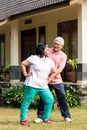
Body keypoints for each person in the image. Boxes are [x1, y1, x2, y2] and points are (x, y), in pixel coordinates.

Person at [35, 37, 72, 123]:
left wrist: (51, 77)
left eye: (57, 44)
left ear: (61, 46)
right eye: (54, 43)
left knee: (62, 97)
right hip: (45, 79)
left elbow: (60, 69)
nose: (55, 45)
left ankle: (66, 116)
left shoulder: (63, 55)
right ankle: (40, 117)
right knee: (43, 98)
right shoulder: (47, 51)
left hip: (57, 80)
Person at [20, 42, 57, 126]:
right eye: (46, 48)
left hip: (43, 85)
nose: (48, 49)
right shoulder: (33, 58)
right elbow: (22, 63)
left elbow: (54, 72)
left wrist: (49, 79)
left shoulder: (49, 61)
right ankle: (23, 120)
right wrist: (25, 74)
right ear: (41, 49)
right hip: (32, 84)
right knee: (26, 101)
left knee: (49, 100)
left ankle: (46, 118)